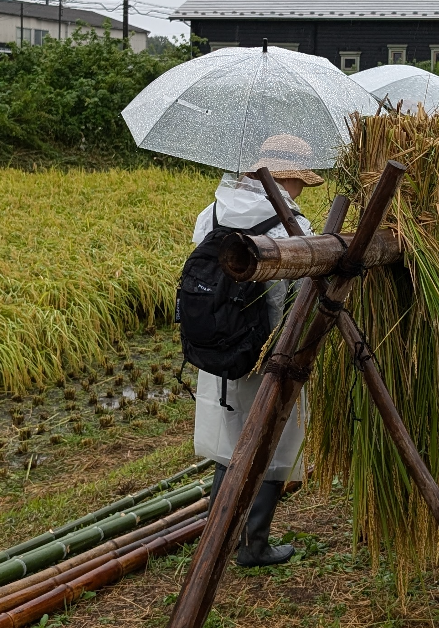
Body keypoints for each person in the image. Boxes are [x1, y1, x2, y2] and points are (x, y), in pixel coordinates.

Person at [193, 134, 322, 567]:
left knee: (230, 441)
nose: (302, 190)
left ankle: (217, 538)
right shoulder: (294, 225)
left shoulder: (210, 213)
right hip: (270, 349)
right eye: (301, 181)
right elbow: (306, 290)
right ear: (286, 178)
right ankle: (254, 544)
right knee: (272, 439)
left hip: (217, 346)